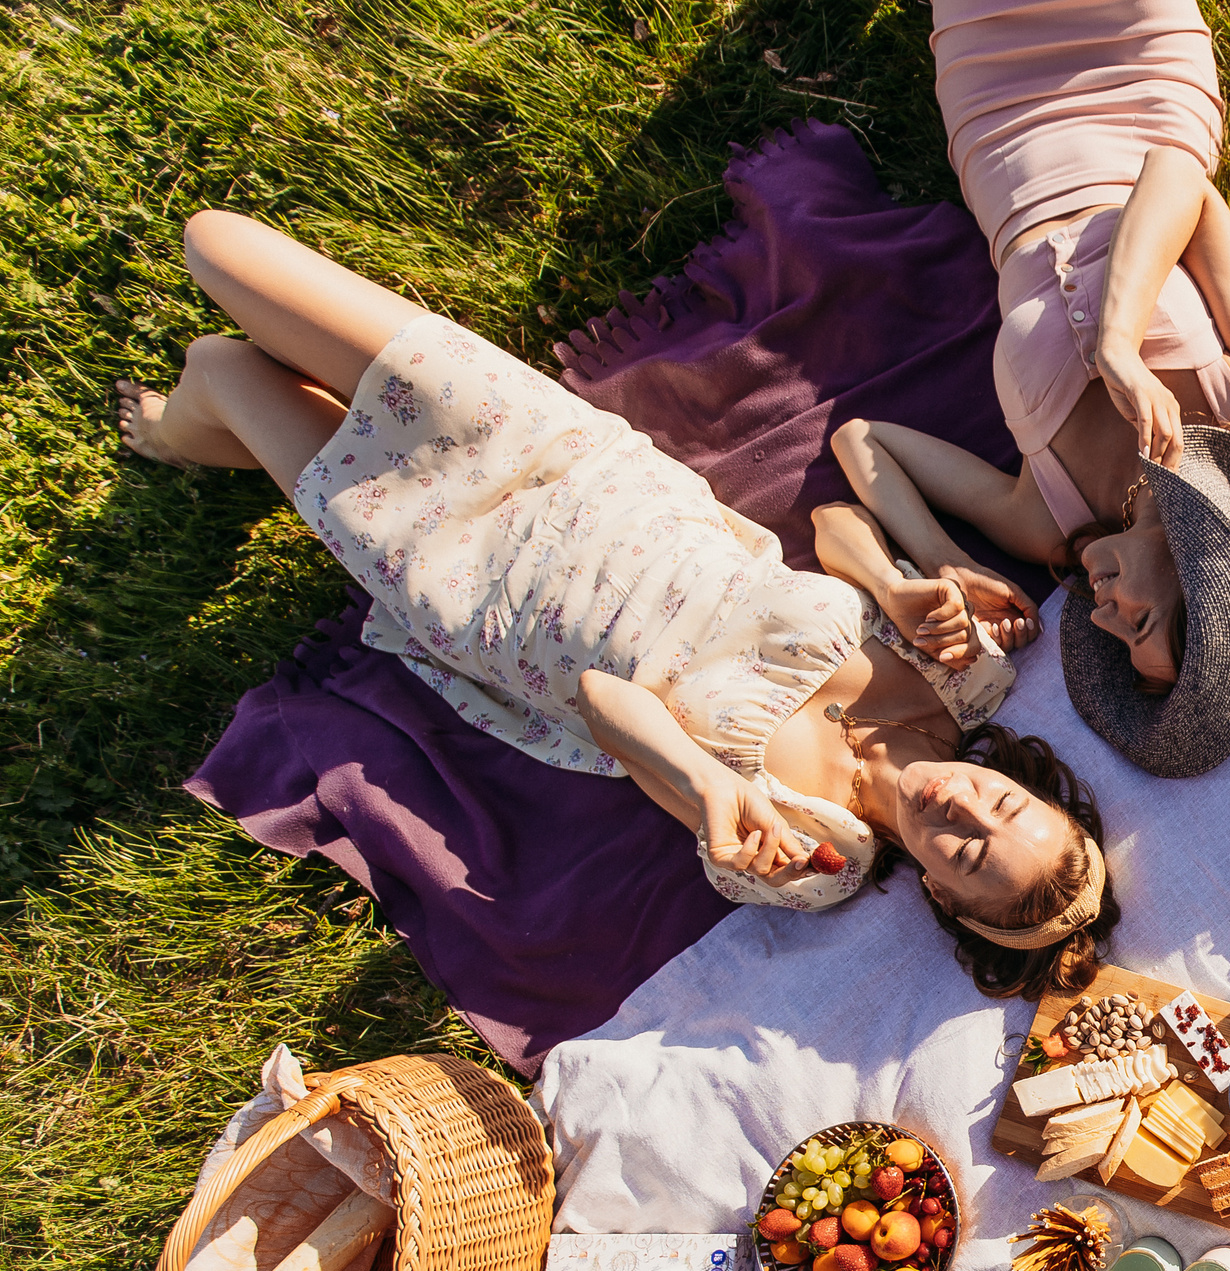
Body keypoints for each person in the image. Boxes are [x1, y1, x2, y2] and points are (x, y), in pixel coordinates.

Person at [117, 211, 1117, 998]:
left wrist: (707, 786)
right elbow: (830, 536)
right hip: (579, 472)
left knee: (226, 366)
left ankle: (184, 433)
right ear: (1026, 785)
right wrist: (900, 587)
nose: (969, 814)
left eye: (971, 857)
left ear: (941, 895)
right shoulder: (970, 673)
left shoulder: (809, 850)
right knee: (218, 247)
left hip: (478, 586)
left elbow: (604, 699)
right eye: (1007, 808)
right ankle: (207, 428)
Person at [825, 0, 1230, 775]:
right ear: (1201, 575)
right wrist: (1119, 344)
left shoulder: (1052, 519)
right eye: (1141, 622)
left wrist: (943, 556)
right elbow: (1180, 176)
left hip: (996, 121)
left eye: (1112, 637)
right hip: (1137, 78)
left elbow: (862, 442)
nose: (1101, 613)